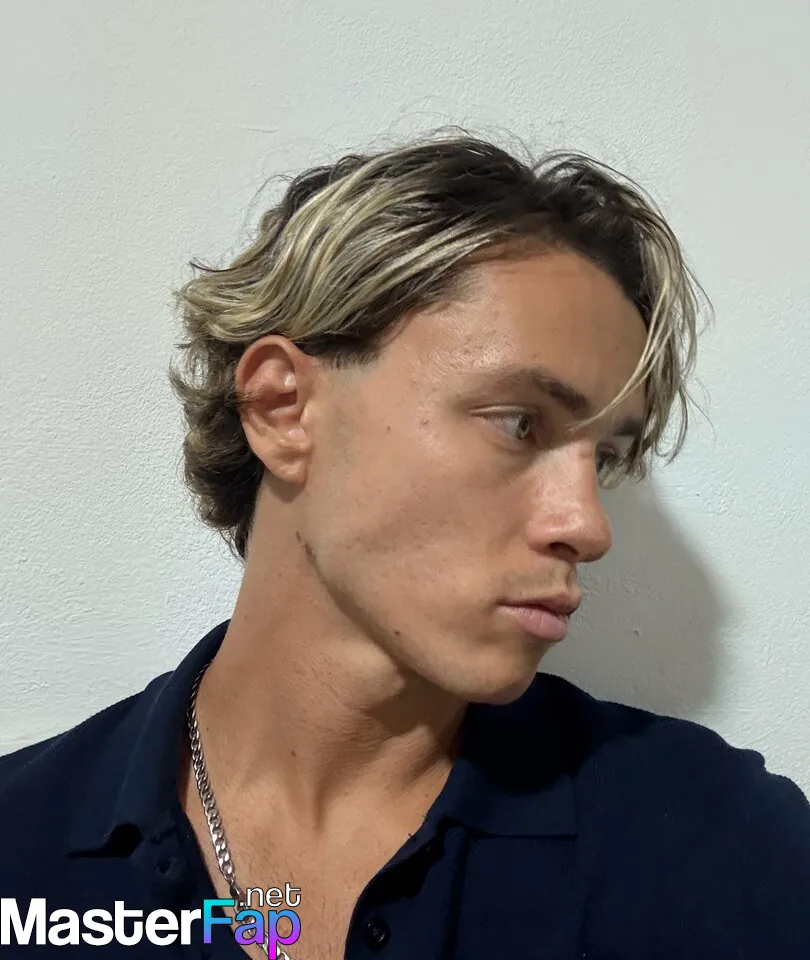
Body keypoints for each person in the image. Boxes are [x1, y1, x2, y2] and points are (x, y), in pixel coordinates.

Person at [1, 133, 808, 960]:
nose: (588, 526)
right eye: (520, 423)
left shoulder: (723, 847)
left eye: (602, 457)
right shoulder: (20, 853)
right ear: (283, 409)